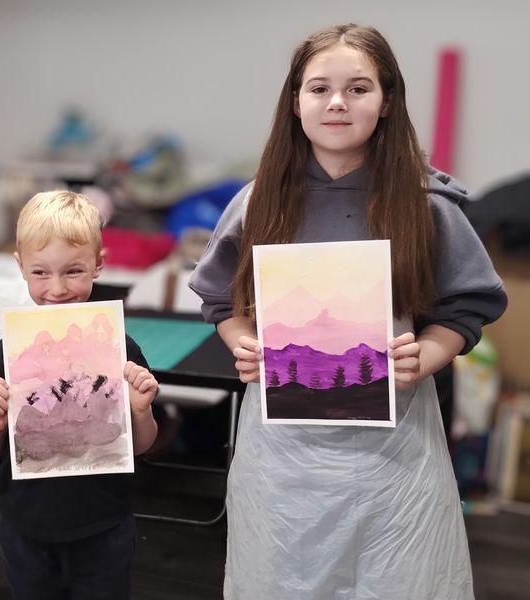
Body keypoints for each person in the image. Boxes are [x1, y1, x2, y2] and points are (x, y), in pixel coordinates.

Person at [188, 24, 507, 600]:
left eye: (359, 89)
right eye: (319, 89)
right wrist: (242, 341)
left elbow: (469, 307)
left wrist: (428, 354)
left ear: (386, 103)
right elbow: (221, 302)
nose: (337, 102)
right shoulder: (257, 201)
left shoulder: (428, 204)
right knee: (279, 578)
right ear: (295, 102)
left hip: (395, 453)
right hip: (281, 456)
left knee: (397, 579)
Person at [0, 190, 159, 600]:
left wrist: (141, 411)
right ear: (20, 267)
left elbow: (142, 445)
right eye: (40, 273)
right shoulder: (4, 353)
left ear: (98, 264)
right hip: (25, 527)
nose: (57, 289)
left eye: (73, 271)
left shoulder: (120, 348)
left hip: (103, 524)